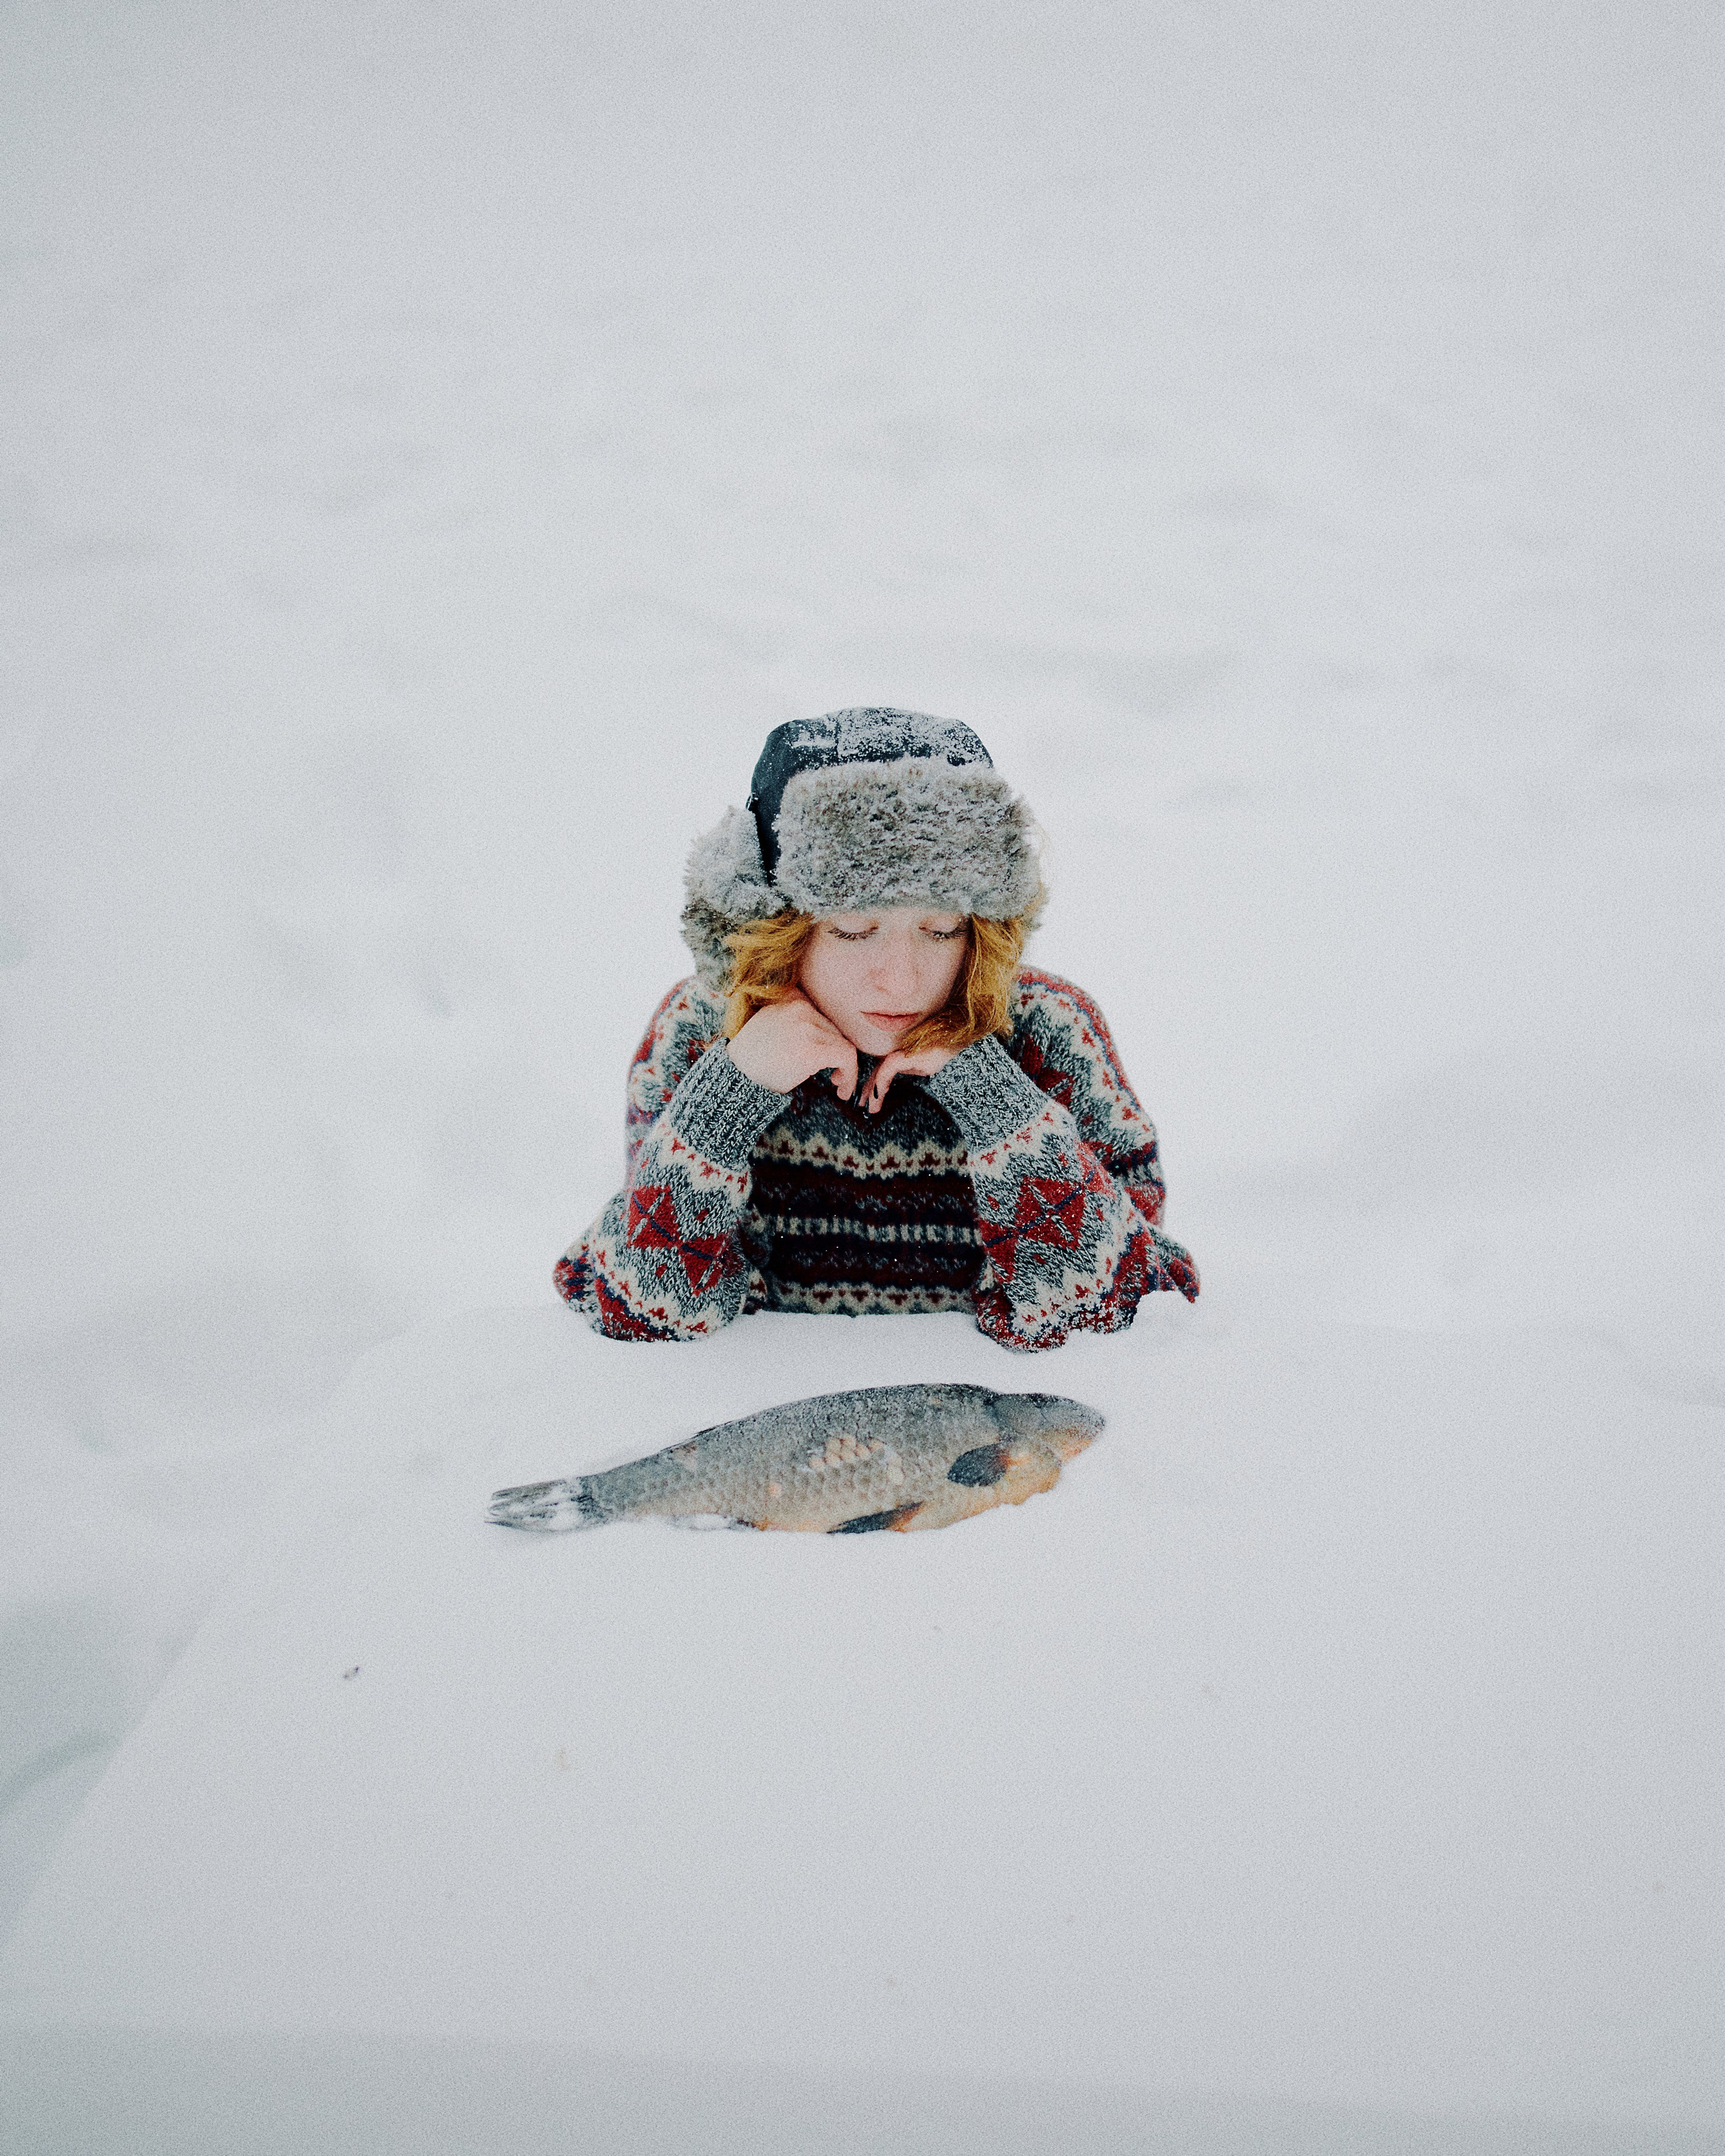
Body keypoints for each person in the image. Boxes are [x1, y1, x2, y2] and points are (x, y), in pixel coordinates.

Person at [555, 708, 1198, 1352]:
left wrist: (998, 1103)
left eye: (941, 929)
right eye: (854, 930)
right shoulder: (705, 1034)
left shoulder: (1049, 1033)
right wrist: (726, 1100)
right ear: (778, 928)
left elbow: (1127, 1310)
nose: (902, 979)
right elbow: (638, 1313)